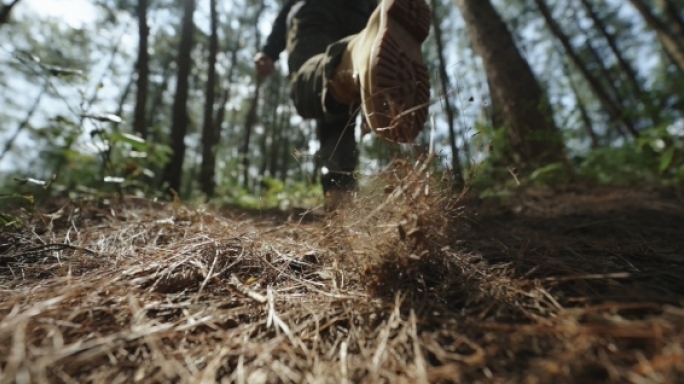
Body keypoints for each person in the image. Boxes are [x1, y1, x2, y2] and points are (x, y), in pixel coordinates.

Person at [254, 0, 431, 210]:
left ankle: (355, 55)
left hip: (316, 9)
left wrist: (269, 51)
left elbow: (287, 9)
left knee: (308, 85)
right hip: (361, 13)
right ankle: (340, 206)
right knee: (340, 113)